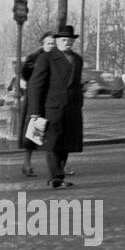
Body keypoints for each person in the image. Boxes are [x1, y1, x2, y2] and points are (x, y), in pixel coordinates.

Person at [27, 25, 85, 189]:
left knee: (67, 142)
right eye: (63, 40)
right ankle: (55, 177)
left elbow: (76, 84)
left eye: (70, 40)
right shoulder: (47, 58)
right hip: (52, 107)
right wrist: (34, 111)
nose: (67, 43)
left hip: (71, 107)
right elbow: (35, 85)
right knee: (52, 143)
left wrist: (79, 101)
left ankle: (59, 175)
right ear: (57, 41)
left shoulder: (77, 59)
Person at [17, 32, 55, 178]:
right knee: (34, 132)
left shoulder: (58, 59)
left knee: (55, 133)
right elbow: (26, 75)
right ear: (42, 44)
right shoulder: (34, 58)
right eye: (48, 43)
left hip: (52, 100)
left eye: (53, 43)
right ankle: (27, 163)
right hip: (37, 99)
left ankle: (57, 166)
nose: (51, 46)